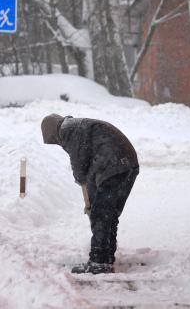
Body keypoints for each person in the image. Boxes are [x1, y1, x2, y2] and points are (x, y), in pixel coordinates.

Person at [41, 114, 139, 274]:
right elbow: (90, 165)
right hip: (129, 164)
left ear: (54, 133)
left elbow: (80, 164)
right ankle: (106, 257)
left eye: (55, 141)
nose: (58, 144)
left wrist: (87, 195)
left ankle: (98, 262)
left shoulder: (69, 130)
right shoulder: (79, 126)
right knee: (110, 214)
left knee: (100, 215)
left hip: (113, 164)